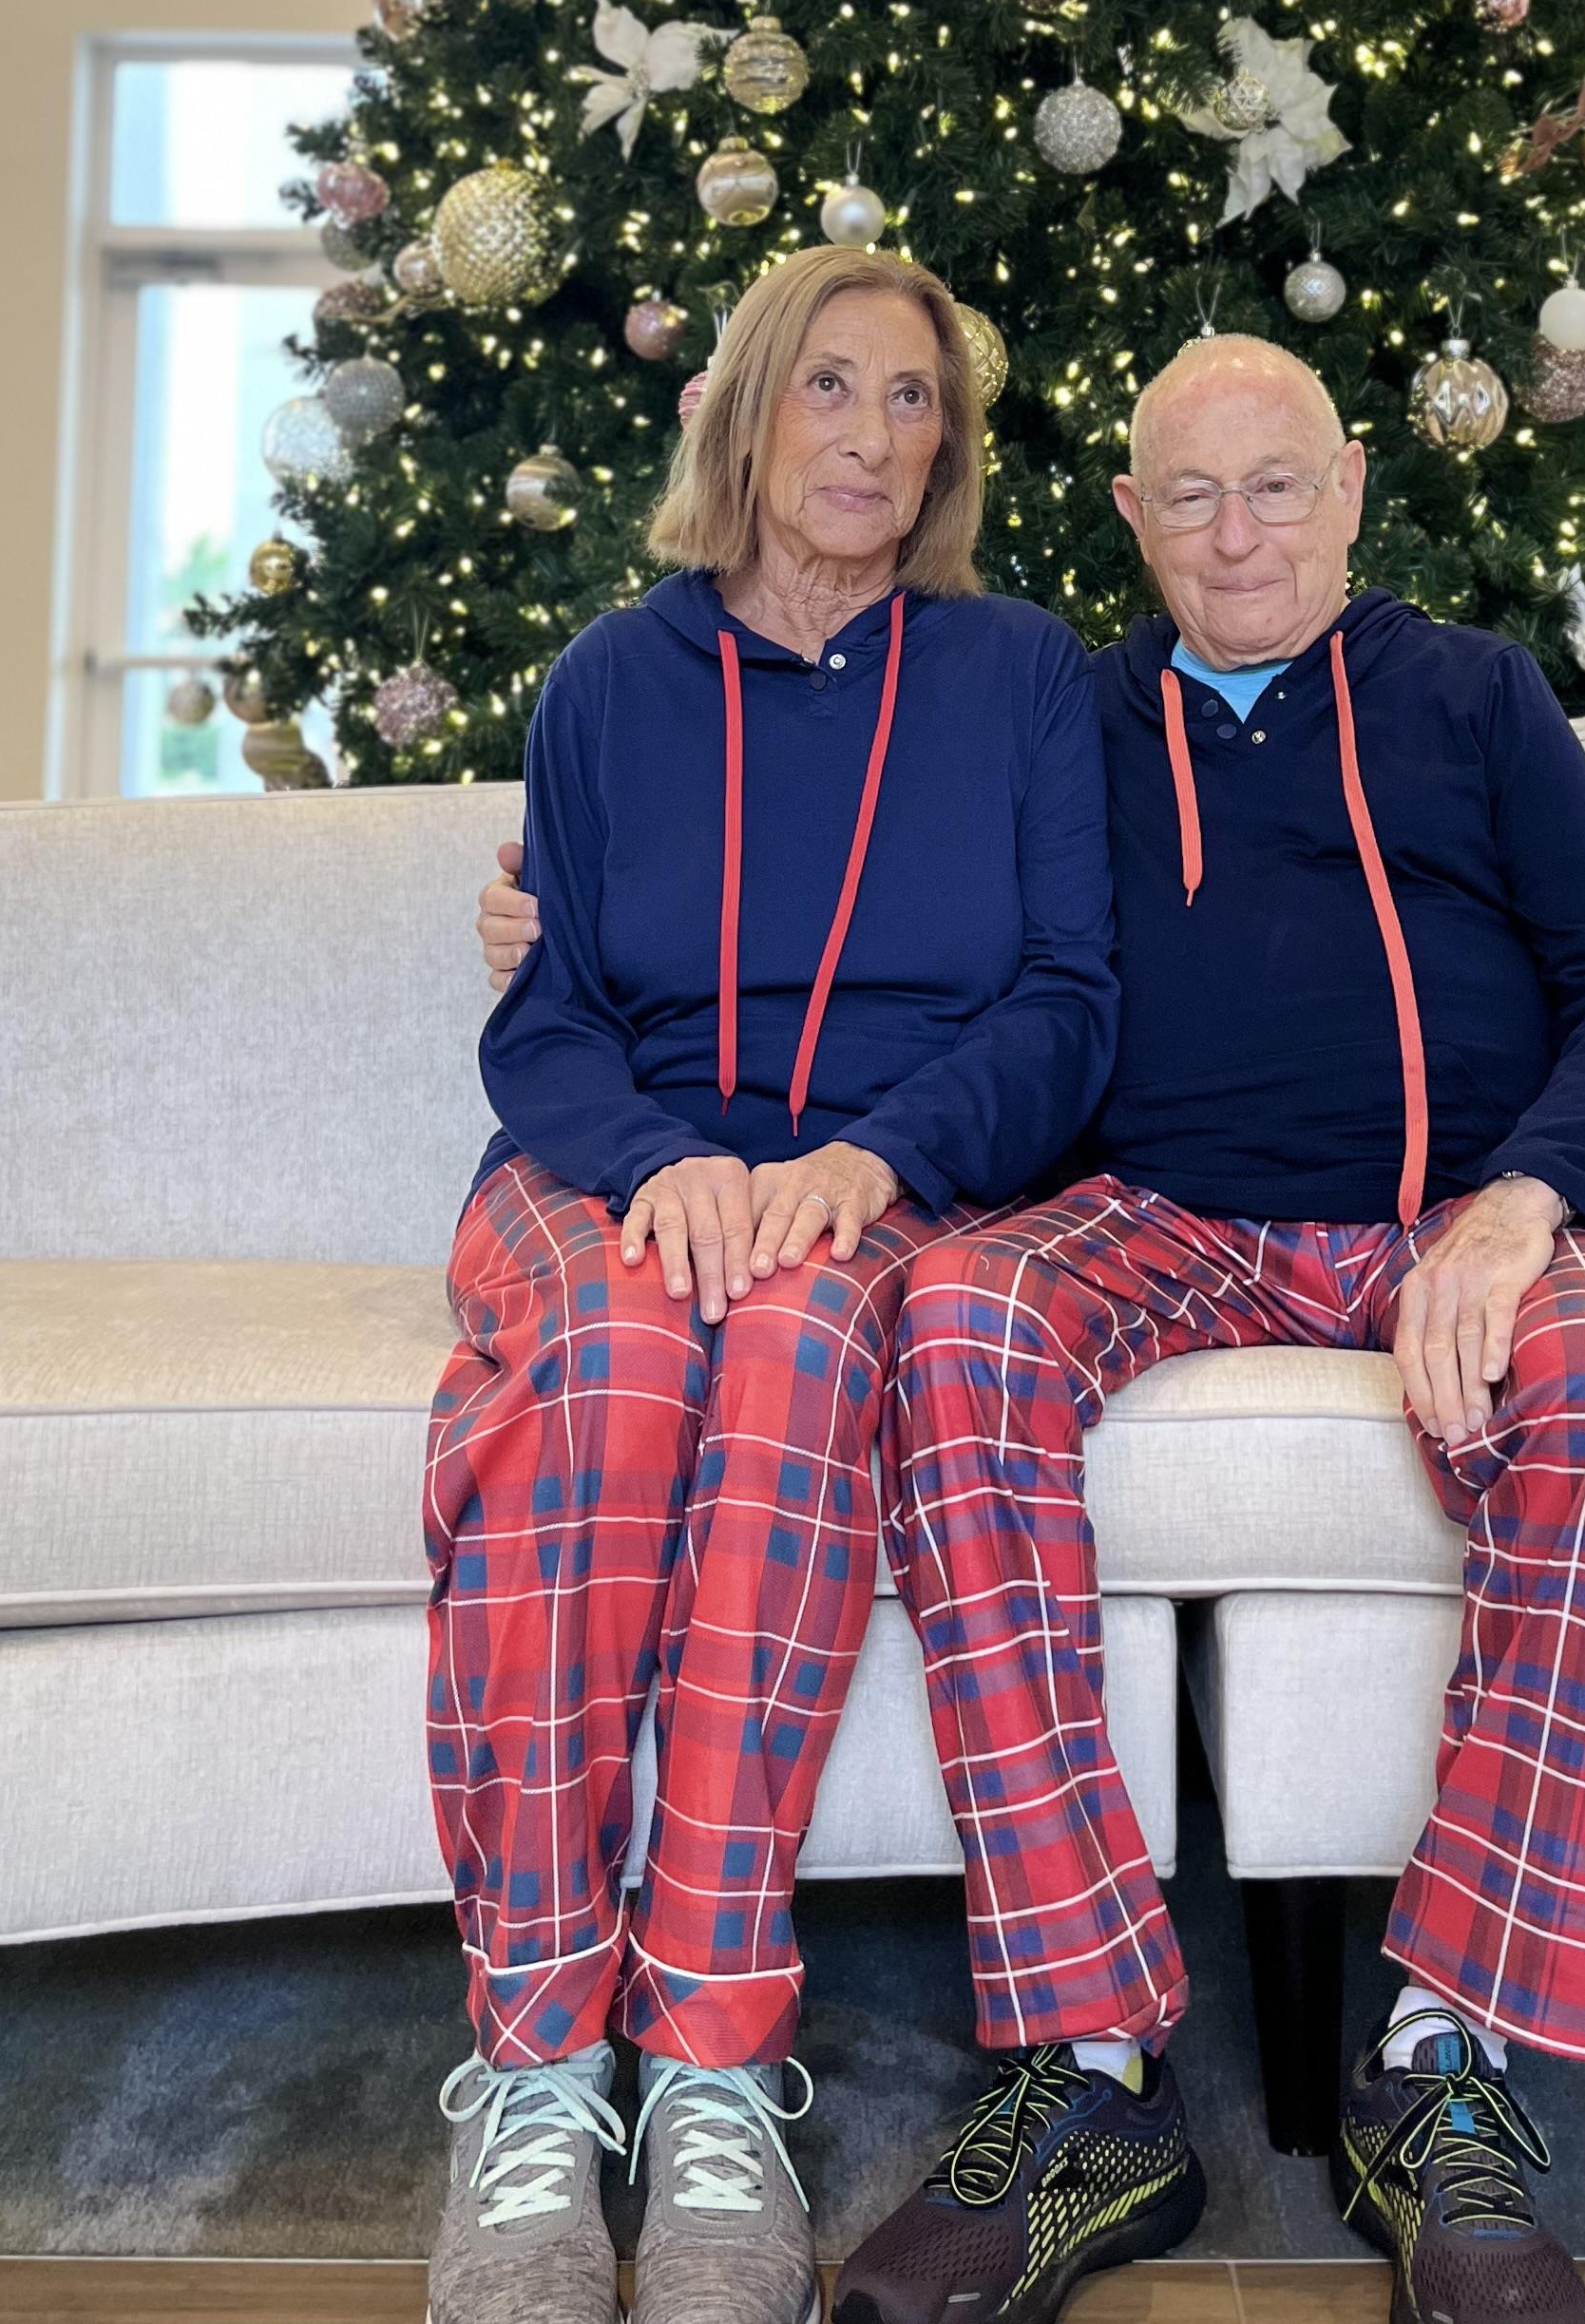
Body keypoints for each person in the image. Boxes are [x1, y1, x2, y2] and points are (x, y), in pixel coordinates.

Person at [483, 328, 1585, 2324]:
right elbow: (878, 889)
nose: (1240, 534)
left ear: (1356, 484)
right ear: (1131, 516)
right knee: (952, 1317)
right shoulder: (1065, 706)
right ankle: (1089, 2071)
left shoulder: (1477, 697)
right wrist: (544, 911)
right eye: (1192, 493)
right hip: (1156, 1221)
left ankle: (1444, 2064)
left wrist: (1523, 1209)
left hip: (1452, 1216)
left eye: (1281, 483)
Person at [426, 242, 1117, 2324]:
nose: (876, 438)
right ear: (747, 412)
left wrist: (868, 1160)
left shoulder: (1020, 680)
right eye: (834, 388)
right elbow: (540, 1024)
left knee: (812, 1347)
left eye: (915, 403)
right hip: (608, 1165)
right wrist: (667, 1165)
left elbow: (1070, 1001)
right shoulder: (609, 682)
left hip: (865, 1183)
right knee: (626, 1380)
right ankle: (542, 2062)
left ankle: (713, 2062)